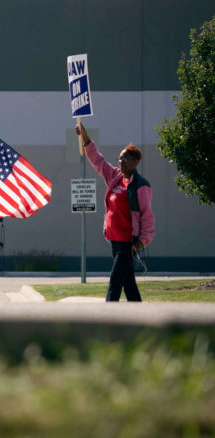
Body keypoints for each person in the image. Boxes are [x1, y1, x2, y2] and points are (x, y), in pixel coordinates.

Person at [77, 121, 155, 302]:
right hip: (115, 241)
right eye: (119, 158)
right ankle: (139, 315)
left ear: (135, 162)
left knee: (115, 281)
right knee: (128, 283)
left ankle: (108, 316)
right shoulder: (114, 177)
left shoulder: (140, 186)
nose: (121, 162)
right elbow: (98, 160)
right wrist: (84, 135)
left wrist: (143, 241)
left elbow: (147, 215)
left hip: (128, 243)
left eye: (125, 159)